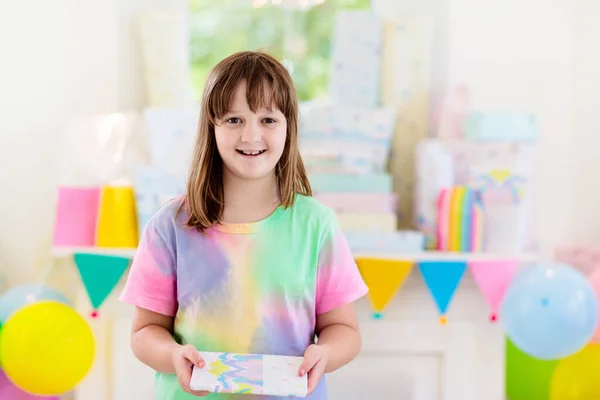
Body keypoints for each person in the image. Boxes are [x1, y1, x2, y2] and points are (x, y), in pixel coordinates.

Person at [120, 50, 368, 399]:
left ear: (288, 127)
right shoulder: (170, 226)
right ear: (212, 126)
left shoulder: (317, 225)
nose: (251, 136)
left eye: (268, 120)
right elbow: (145, 332)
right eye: (234, 119)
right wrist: (173, 354)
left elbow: (344, 329)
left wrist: (324, 353)